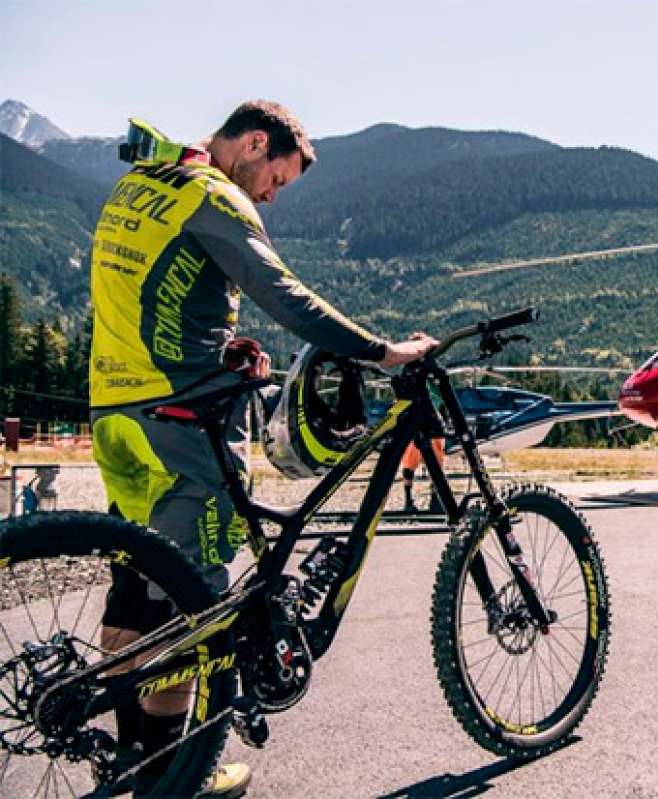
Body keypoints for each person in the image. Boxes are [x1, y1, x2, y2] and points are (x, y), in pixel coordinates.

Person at [88, 100, 437, 797]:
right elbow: (284, 295)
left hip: (115, 408)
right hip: (180, 419)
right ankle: (175, 773)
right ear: (254, 143)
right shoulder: (214, 195)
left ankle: (134, 756)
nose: (274, 193)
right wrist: (381, 351)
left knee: (136, 588)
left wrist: (219, 347)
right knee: (195, 602)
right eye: (278, 177)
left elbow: (154, 296)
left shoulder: (148, 182)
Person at [401, 437, 446, 513]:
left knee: (436, 465)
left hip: (432, 431)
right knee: (409, 463)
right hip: (414, 432)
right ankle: (408, 501)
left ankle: (435, 500)